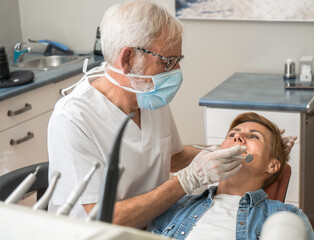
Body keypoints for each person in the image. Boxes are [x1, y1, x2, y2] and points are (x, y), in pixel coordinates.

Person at [47, 0, 249, 228]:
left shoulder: (149, 96)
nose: (176, 71)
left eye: (178, 60)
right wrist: (187, 180)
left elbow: (172, 156)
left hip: (153, 225)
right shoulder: (73, 118)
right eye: (167, 61)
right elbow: (103, 218)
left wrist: (222, 152)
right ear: (128, 59)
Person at [146, 112, 314, 240]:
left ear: (272, 165)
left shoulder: (285, 216)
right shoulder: (177, 206)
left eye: (254, 137)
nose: (238, 137)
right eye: (232, 135)